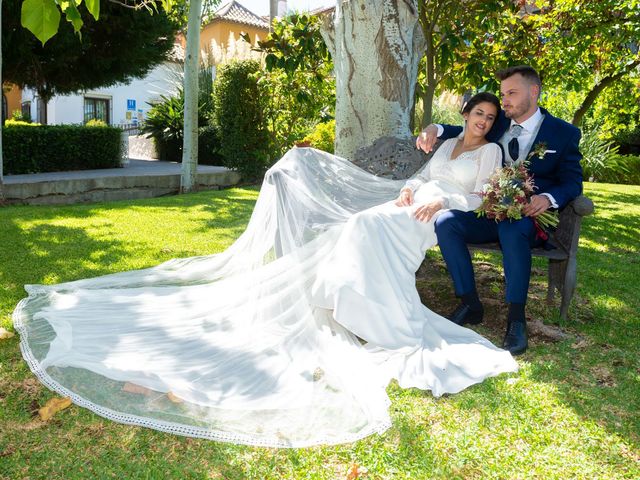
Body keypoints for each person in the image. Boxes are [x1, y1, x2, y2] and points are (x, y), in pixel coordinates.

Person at [13, 93, 516, 449]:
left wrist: (435, 197)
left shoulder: (491, 152)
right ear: (466, 114)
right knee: (361, 223)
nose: (483, 122)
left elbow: (476, 194)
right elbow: (419, 175)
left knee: (370, 228)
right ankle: (345, 301)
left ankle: (364, 308)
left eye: (490, 117)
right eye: (477, 113)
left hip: (437, 216)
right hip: (409, 204)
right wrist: (412, 189)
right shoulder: (447, 143)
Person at [416, 65, 583, 356]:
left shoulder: (564, 133)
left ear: (534, 92)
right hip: (488, 210)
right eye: (503, 94)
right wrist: (436, 128)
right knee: (447, 222)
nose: (504, 101)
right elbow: (465, 128)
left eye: (511, 93)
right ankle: (470, 303)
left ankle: (516, 318)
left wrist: (547, 197)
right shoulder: (500, 123)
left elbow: (573, 182)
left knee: (512, 228)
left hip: (527, 216)